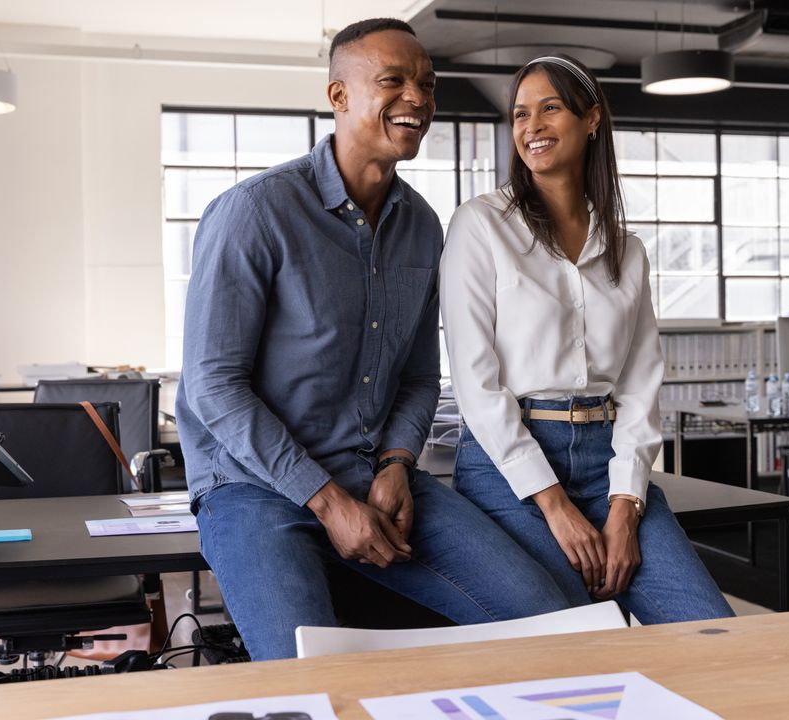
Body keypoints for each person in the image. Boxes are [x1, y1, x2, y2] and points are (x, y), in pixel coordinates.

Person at [175, 19, 569, 661]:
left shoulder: (421, 224)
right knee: (307, 675)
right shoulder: (254, 213)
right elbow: (214, 386)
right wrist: (328, 502)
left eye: (427, 85)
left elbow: (418, 375)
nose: (417, 97)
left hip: (373, 474)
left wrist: (395, 464)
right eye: (393, 80)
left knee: (550, 622)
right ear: (339, 96)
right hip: (251, 485)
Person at [440, 54, 734, 624]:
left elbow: (641, 386)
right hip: (510, 467)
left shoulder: (629, 250)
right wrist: (554, 504)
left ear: (591, 118)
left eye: (550, 108)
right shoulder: (480, 224)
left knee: (708, 625)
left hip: (609, 465)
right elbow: (476, 385)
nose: (531, 127)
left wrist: (625, 507)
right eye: (521, 114)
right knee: (578, 631)